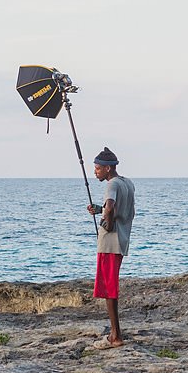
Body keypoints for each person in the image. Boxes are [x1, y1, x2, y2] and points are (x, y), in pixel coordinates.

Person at [85, 147, 135, 349]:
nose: (95, 172)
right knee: (110, 286)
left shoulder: (111, 184)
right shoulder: (127, 183)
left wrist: (108, 223)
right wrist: (100, 210)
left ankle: (115, 336)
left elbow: (112, 206)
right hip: (122, 240)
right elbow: (123, 209)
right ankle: (115, 333)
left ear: (107, 168)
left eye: (97, 168)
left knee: (109, 288)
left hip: (109, 242)